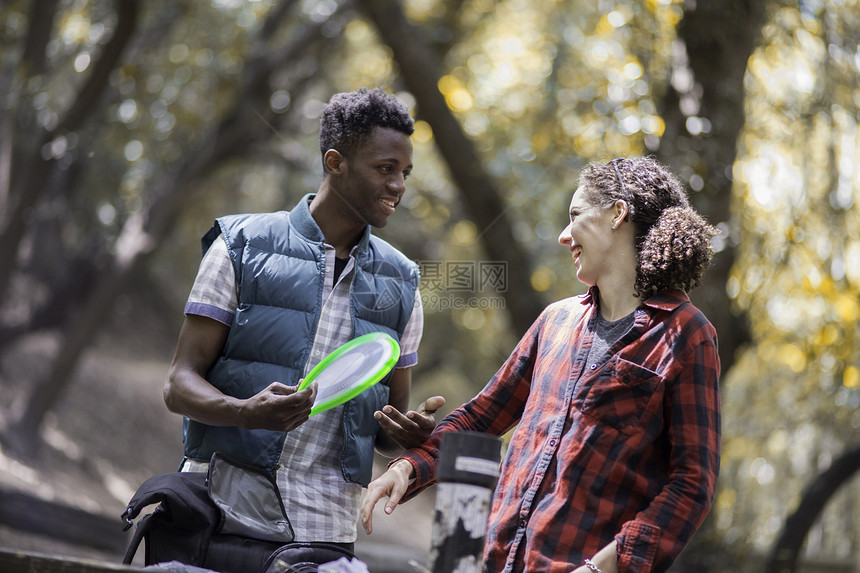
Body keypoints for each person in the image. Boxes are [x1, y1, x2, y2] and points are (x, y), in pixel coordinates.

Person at [362, 156, 721, 573]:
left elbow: (692, 485)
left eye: (575, 216)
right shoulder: (555, 321)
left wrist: (604, 567)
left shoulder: (687, 334)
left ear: (617, 214)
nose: (564, 236)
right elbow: (481, 417)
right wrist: (408, 468)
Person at [163, 87, 444, 557]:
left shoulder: (403, 282)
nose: (399, 185)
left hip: (325, 532)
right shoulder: (241, 245)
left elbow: (382, 431)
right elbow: (178, 384)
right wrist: (243, 412)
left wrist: (406, 435)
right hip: (216, 512)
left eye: (405, 173)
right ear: (335, 163)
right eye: (385, 168)